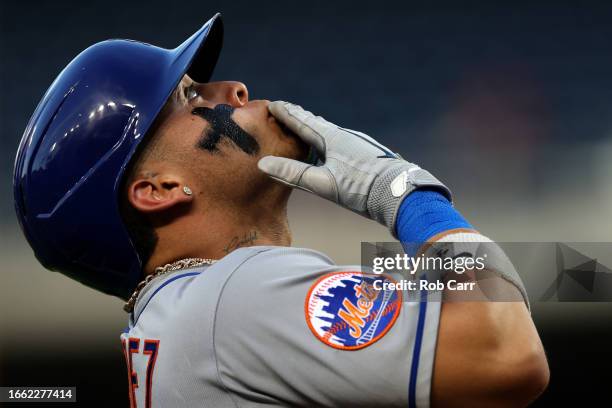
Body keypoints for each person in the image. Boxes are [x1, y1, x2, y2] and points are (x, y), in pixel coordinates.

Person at [14, 13, 549, 407]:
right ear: (159, 188)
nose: (234, 89)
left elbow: (515, 287)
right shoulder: (237, 295)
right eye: (191, 97)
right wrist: (405, 193)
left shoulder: (190, 312)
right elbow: (504, 354)